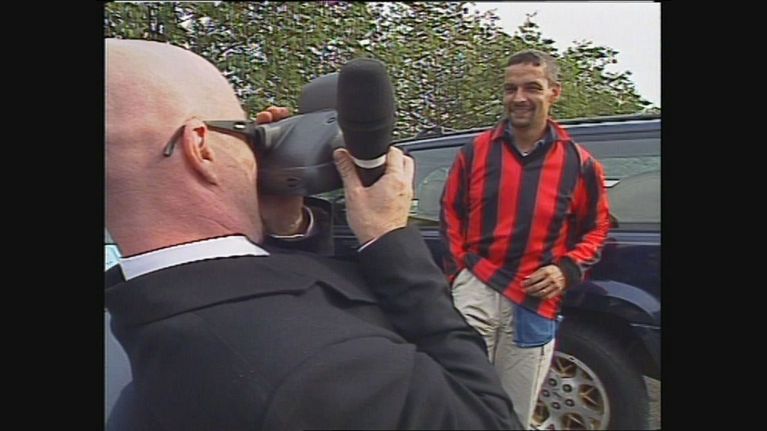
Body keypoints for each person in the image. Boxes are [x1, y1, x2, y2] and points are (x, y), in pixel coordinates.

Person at [105, 38, 521, 430]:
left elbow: (291, 299)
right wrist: (391, 236)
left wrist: (286, 228)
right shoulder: (316, 366)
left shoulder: (154, 312)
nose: (258, 153)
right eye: (247, 132)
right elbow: (487, 419)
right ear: (201, 147)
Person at [440, 49, 611, 427]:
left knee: (514, 415)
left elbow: (597, 227)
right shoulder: (475, 152)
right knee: (457, 401)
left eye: (532, 87)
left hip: (534, 302)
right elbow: (450, 212)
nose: (519, 98)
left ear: (554, 92)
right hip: (476, 288)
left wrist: (566, 270)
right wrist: (460, 275)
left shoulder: (579, 163)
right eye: (510, 88)